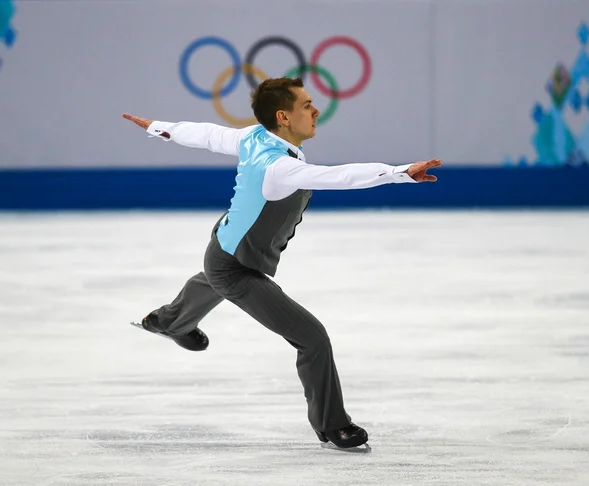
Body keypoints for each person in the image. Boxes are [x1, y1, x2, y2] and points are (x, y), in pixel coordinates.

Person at [122, 76, 441, 450]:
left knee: (211, 275)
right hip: (236, 266)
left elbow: (208, 134)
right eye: (306, 104)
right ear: (283, 117)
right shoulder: (279, 167)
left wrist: (162, 128)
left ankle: (168, 321)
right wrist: (398, 173)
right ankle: (332, 425)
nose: (316, 109)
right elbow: (339, 176)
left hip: (225, 244)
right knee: (312, 338)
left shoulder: (255, 136)